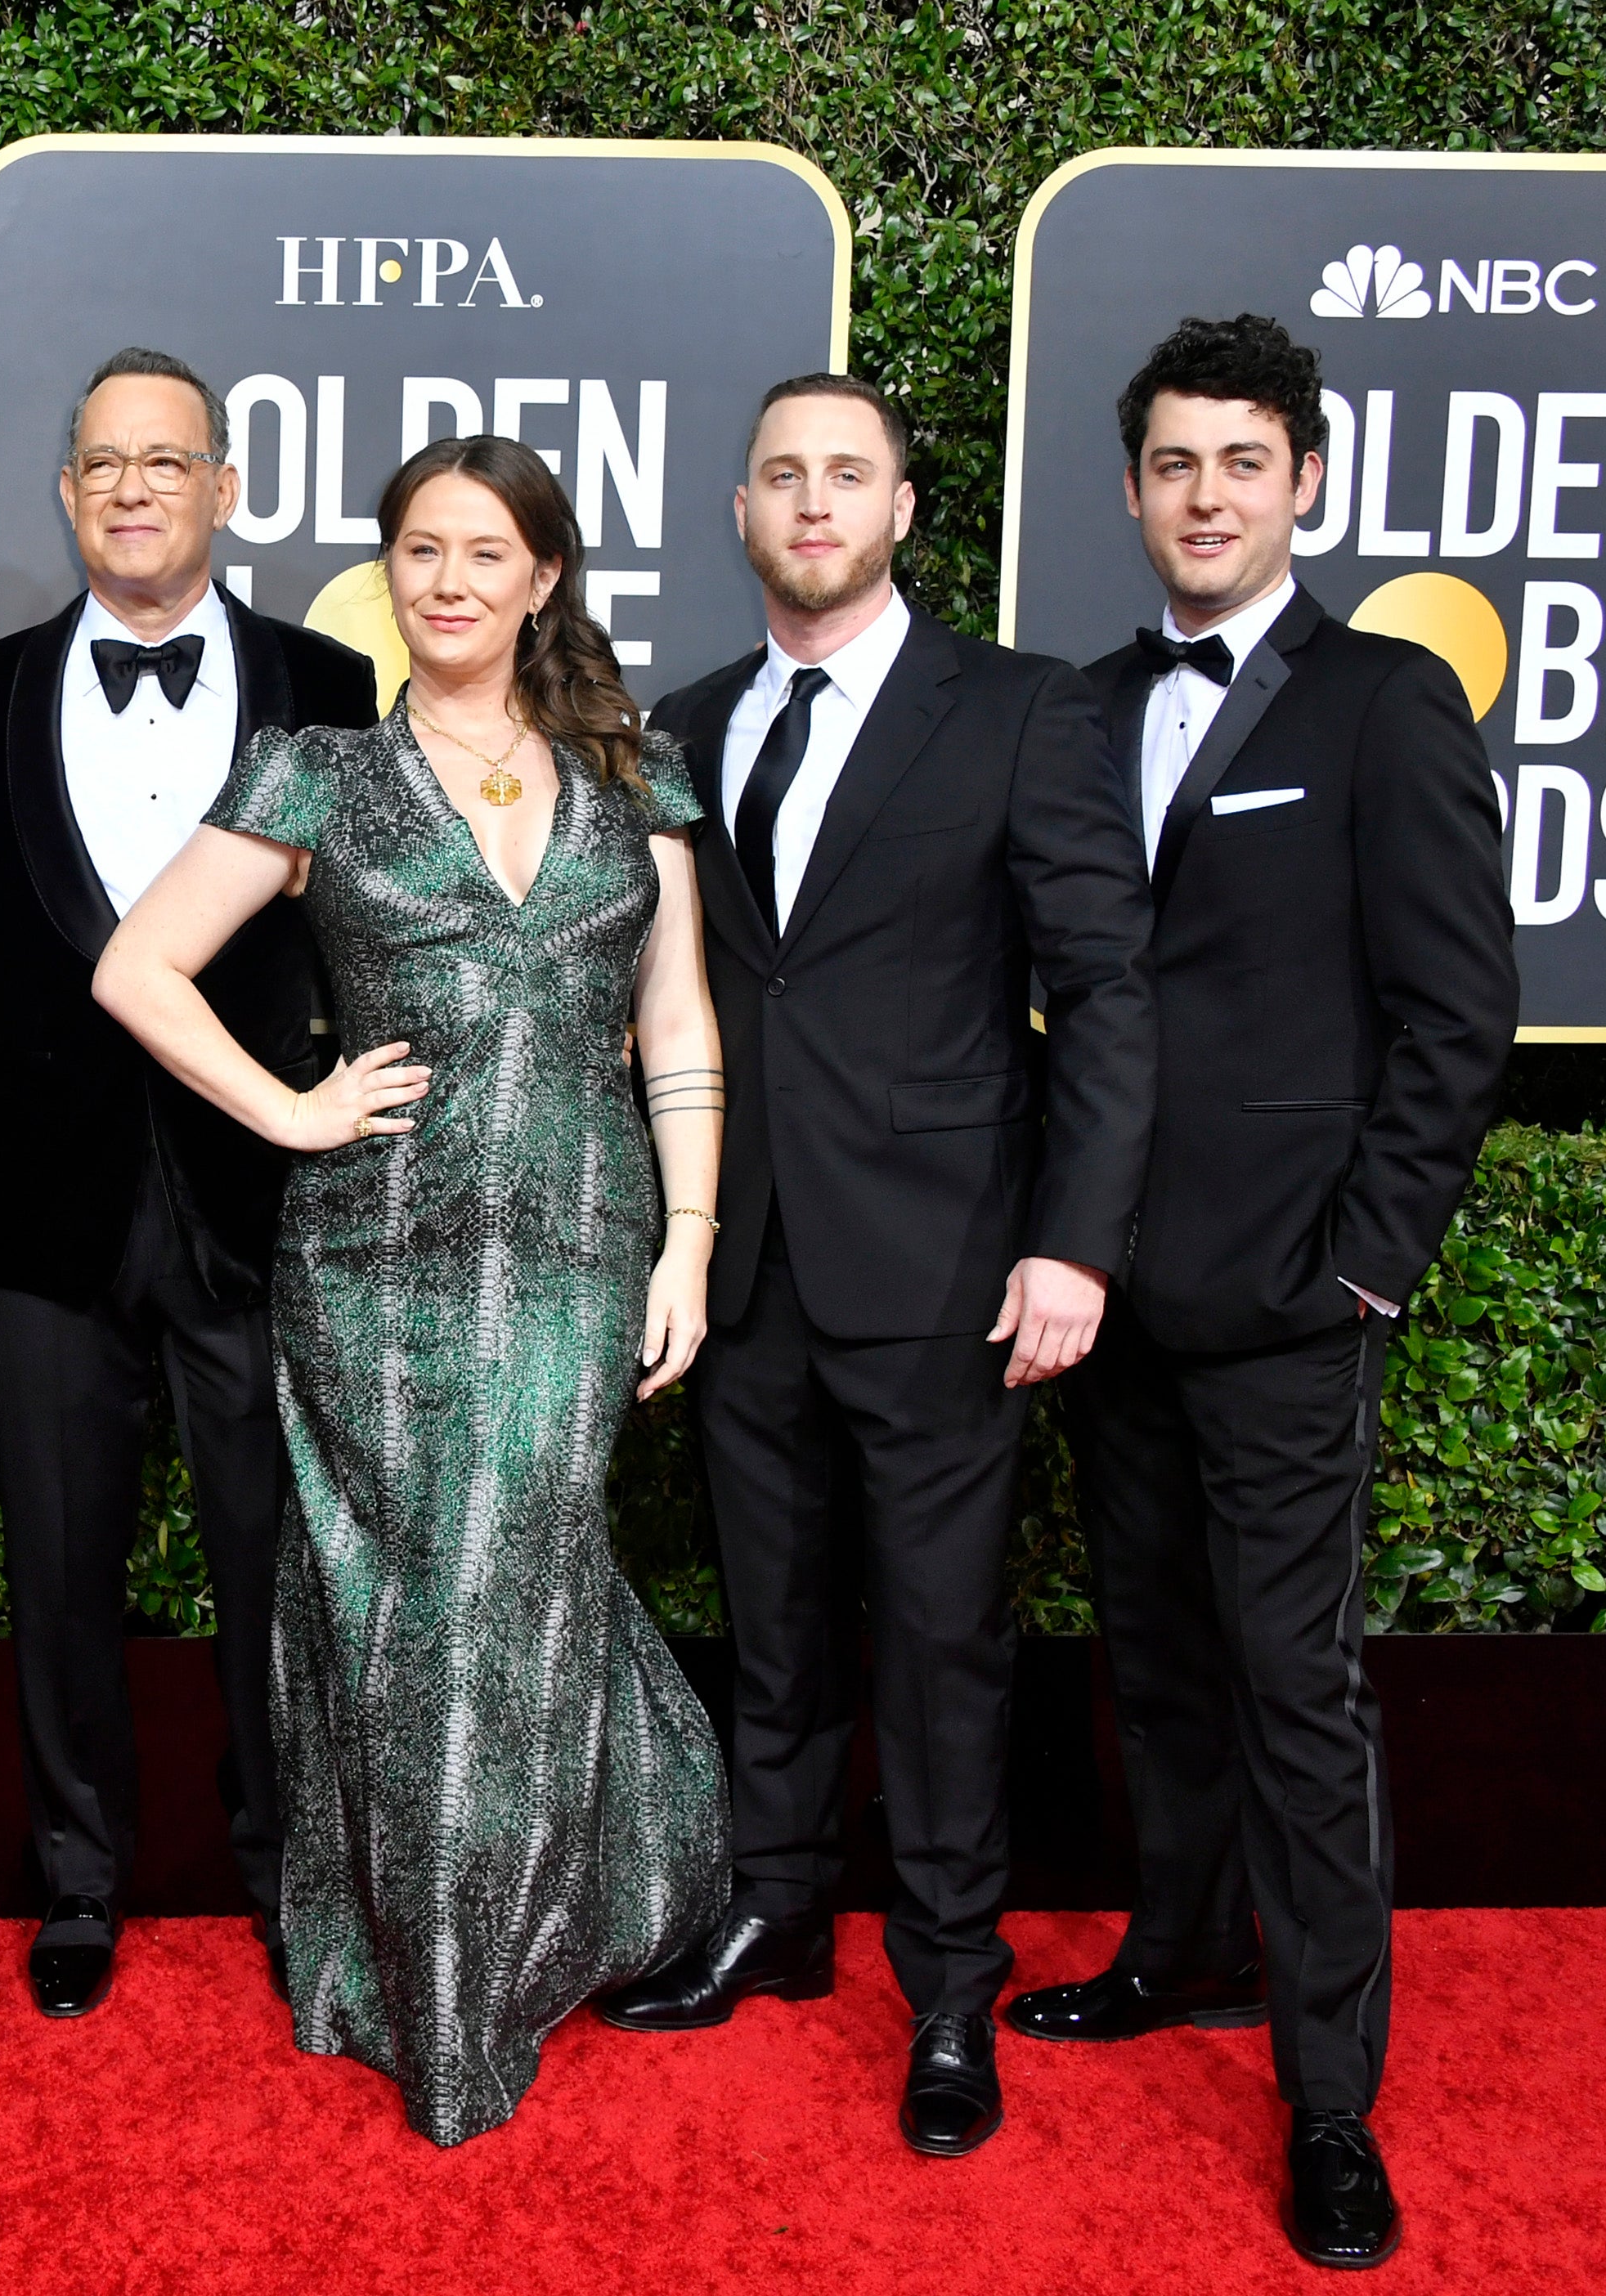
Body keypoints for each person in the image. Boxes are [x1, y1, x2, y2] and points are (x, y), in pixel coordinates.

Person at [96, 434, 733, 2148]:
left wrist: (687, 1239)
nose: (449, 582)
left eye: (484, 553)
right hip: (374, 1256)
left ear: (542, 579)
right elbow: (135, 965)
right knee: (404, 1605)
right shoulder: (314, 774)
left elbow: (674, 1019)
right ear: (388, 573)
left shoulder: (635, 776)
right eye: (421, 550)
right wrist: (287, 1107)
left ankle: (507, 1951)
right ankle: (425, 1984)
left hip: (581, 1244)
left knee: (512, 1582)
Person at [600, 375, 1158, 2163]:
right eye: (782, 476)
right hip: (741, 1256)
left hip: (946, 1266)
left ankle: (946, 1982)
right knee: (770, 1623)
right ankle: (775, 1910)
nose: (813, 502)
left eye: (848, 475)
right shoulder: (682, 726)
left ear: (903, 509)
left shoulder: (1018, 710)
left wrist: (1071, 1239)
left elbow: (1105, 992)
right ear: (740, 511)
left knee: (938, 1643)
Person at [1009, 314, 1516, 2272]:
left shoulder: (1383, 701)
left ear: (1301, 480)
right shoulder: (1077, 706)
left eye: (1240, 462)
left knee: (1296, 1688)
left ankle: (1327, 2098)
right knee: (1154, 1658)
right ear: (1130, 491)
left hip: (1291, 1296)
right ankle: (1180, 1953)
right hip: (1107, 1291)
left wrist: (1365, 1265)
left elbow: (1456, 1014)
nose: (1204, 497)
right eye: (1171, 465)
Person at [0, 348, 377, 2018]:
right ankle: (76, 1878)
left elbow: (375, 940)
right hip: (41, 1212)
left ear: (224, 490)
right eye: (103, 463)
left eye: (166, 461)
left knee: (275, 1566)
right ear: (64, 493)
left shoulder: (331, 686)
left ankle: (284, 1871)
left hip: (261, 1203)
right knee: (57, 1566)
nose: (132, 489)